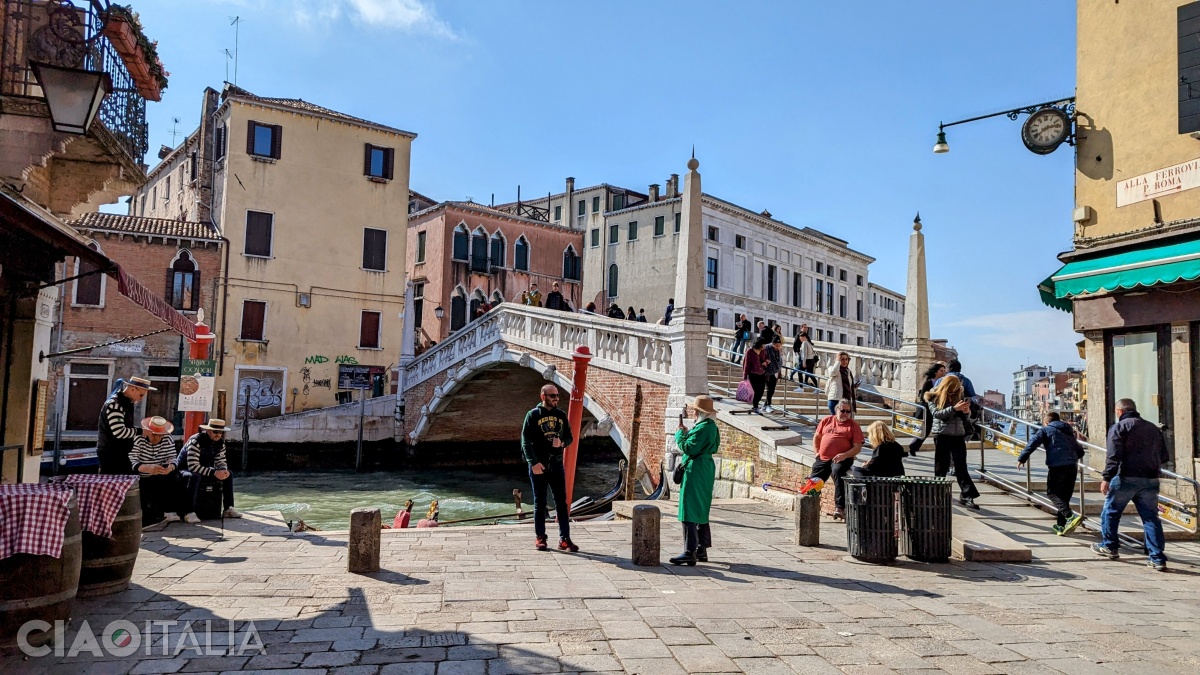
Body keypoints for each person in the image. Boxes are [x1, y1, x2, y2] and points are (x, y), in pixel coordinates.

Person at [1092, 398, 1170, 571]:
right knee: (1151, 518)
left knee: (1111, 512)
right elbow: (1164, 456)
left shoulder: (1119, 427)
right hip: (1150, 479)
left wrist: (1106, 477)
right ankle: (1157, 558)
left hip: (1125, 477)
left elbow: (1113, 455)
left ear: (1120, 411)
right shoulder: (1152, 428)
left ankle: (1110, 546)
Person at [520, 384, 578, 552]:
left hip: (556, 464)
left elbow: (570, 437)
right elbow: (525, 441)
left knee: (561, 503)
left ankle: (565, 539)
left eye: (557, 395)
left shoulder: (561, 415)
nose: (556, 399)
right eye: (552, 396)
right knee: (540, 502)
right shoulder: (533, 415)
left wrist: (562, 443)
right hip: (539, 465)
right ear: (543, 396)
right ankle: (540, 537)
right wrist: (533, 462)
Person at [670, 395, 719, 565]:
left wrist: (679, 435)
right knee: (701, 507)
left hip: (695, 470)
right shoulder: (711, 427)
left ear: (699, 412)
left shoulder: (702, 428)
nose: (693, 413)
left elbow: (688, 448)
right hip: (705, 468)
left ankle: (689, 551)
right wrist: (687, 433)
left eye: (695, 410)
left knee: (689, 508)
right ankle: (701, 549)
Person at [1018, 412, 1085, 536]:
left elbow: (1032, 443)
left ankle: (1070, 516)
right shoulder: (1068, 430)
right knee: (1064, 497)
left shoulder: (1045, 430)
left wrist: (1022, 458)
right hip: (1072, 466)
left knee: (1052, 493)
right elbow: (1080, 450)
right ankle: (1060, 526)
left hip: (1057, 466)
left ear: (1046, 422)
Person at [926, 376, 981, 509]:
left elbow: (965, 417)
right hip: (942, 434)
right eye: (955, 387)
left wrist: (966, 412)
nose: (957, 390)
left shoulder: (959, 396)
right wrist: (954, 409)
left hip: (958, 434)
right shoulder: (933, 397)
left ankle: (967, 495)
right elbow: (937, 414)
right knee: (941, 467)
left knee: (961, 466)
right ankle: (938, 494)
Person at [179, 418, 241, 523]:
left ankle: (228, 508)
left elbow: (221, 461)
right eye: (215, 432)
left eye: (220, 432)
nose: (218, 434)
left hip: (202, 469)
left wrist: (223, 470)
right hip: (184, 470)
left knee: (229, 474)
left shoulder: (220, 443)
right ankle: (189, 512)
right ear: (208, 431)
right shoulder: (196, 441)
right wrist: (214, 472)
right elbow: (192, 466)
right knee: (195, 476)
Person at [812, 399, 863, 519]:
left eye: (848, 411)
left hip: (843, 458)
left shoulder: (853, 425)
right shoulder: (826, 420)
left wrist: (845, 455)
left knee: (838, 471)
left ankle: (839, 507)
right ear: (837, 410)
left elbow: (858, 447)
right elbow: (817, 437)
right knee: (815, 477)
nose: (845, 414)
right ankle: (811, 502)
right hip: (823, 457)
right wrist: (817, 452)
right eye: (843, 411)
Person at [128, 416, 181, 525]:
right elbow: (132, 460)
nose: (157, 438)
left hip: (160, 473)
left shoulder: (167, 438)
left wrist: (170, 467)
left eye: (160, 435)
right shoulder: (138, 438)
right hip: (141, 474)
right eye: (154, 434)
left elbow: (173, 457)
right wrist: (148, 468)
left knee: (175, 475)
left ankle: (168, 510)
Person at [96, 376, 155, 474]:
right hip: (111, 455)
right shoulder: (115, 405)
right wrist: (142, 432)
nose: (141, 398)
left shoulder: (125, 404)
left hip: (120, 454)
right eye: (141, 395)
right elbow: (119, 432)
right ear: (133, 389)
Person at [909, 362, 946, 455]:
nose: (943, 372)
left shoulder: (942, 382)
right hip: (926, 409)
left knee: (928, 430)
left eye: (944, 371)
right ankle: (913, 446)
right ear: (936, 372)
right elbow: (923, 396)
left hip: (935, 409)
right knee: (925, 429)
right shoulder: (929, 382)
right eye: (941, 371)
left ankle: (914, 446)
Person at [742, 337, 767, 414]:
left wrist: (766, 362)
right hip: (753, 374)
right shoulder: (750, 351)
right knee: (756, 391)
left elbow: (766, 359)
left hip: (762, 373)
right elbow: (746, 364)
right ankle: (755, 406)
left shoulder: (763, 351)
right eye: (763, 344)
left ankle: (756, 405)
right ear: (760, 344)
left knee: (761, 391)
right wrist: (745, 375)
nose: (764, 346)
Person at [761, 335, 783, 413]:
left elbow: (779, 360)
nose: (777, 347)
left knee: (772, 389)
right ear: (773, 344)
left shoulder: (778, 350)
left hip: (774, 371)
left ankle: (765, 405)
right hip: (766, 371)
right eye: (776, 345)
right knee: (769, 389)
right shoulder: (767, 348)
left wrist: (779, 370)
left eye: (779, 346)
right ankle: (768, 405)